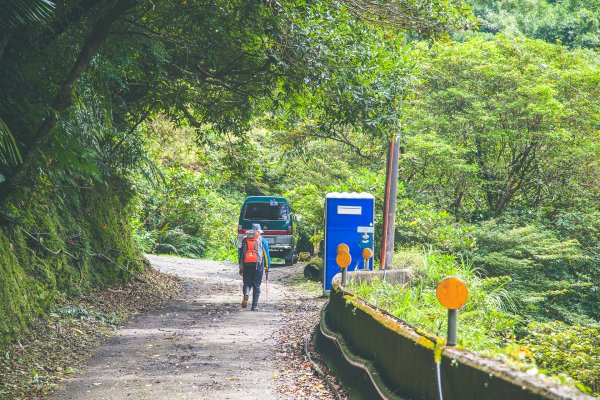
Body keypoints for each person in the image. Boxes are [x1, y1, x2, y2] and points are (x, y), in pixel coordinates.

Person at [238, 223, 270, 311]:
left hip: (246, 264)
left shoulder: (245, 240)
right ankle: (254, 306)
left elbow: (241, 254)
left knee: (247, 283)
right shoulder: (262, 241)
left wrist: (241, 267)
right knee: (257, 285)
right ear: (259, 231)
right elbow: (266, 255)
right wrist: (268, 267)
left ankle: (246, 293)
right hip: (258, 265)